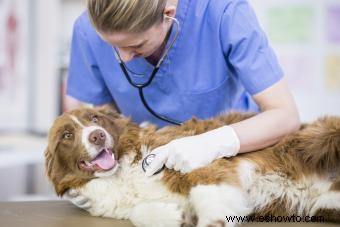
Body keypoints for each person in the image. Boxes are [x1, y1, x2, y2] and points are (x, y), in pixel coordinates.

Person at [67, 0, 300, 177]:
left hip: (235, 160)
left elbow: (285, 115)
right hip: (149, 165)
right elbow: (103, 119)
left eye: (136, 46)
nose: (125, 59)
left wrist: (213, 143)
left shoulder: (224, 13)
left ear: (169, 14)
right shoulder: (88, 28)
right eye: (113, 46)